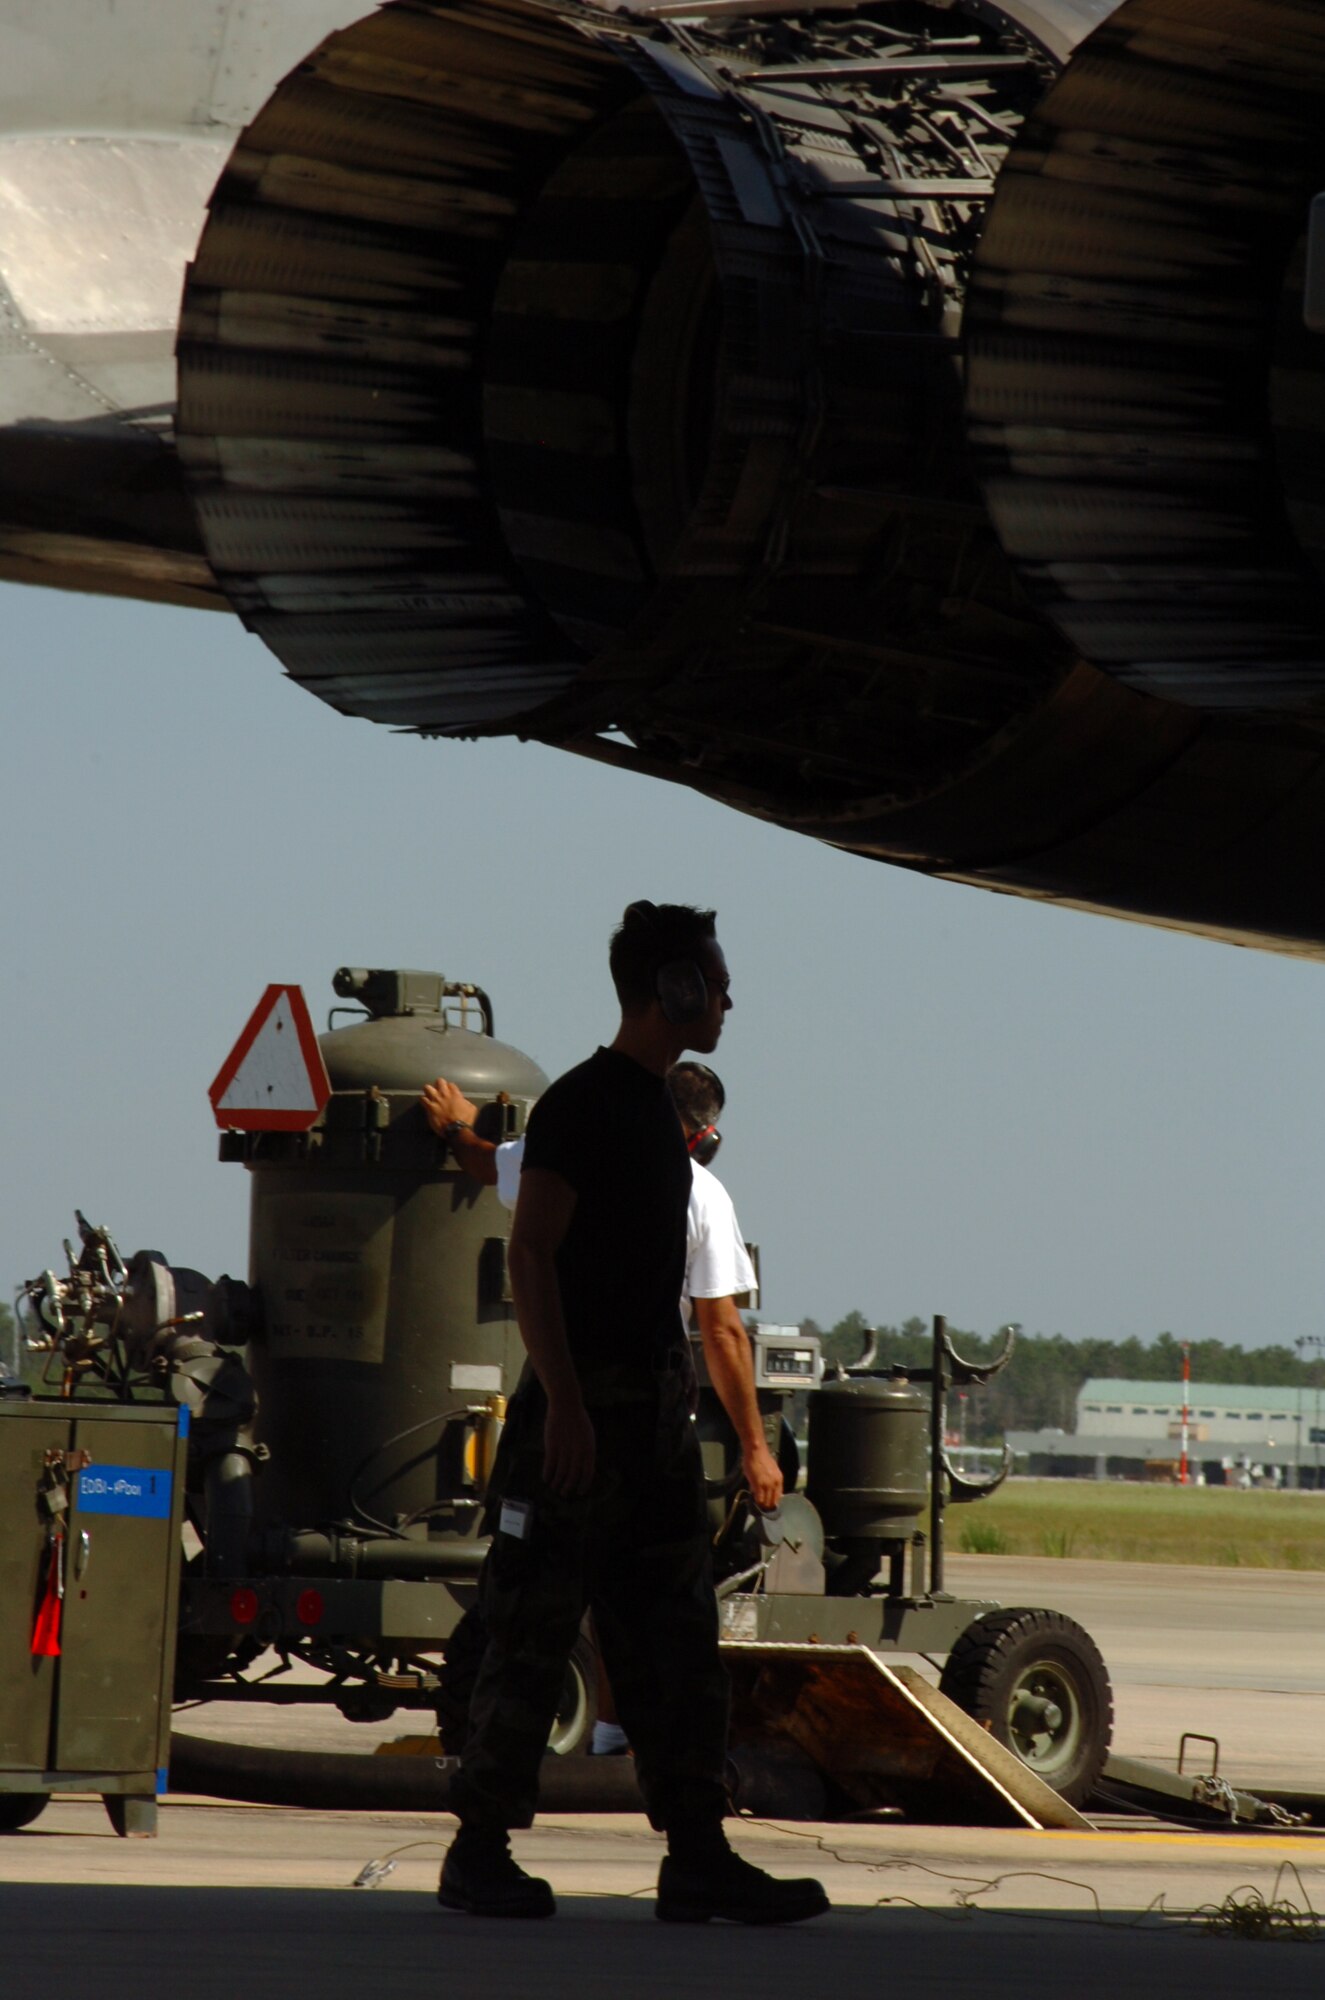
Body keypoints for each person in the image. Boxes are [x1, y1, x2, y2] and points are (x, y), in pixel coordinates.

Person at [433, 902, 827, 1925]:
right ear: (674, 988)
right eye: (713, 977)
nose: (729, 996)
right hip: (578, 1417)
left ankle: (696, 1852)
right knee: (530, 1629)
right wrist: (563, 1401)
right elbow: (530, 1253)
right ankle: (477, 1849)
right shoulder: (585, 1103)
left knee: (675, 1638)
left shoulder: (655, 1113)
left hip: (646, 1425)